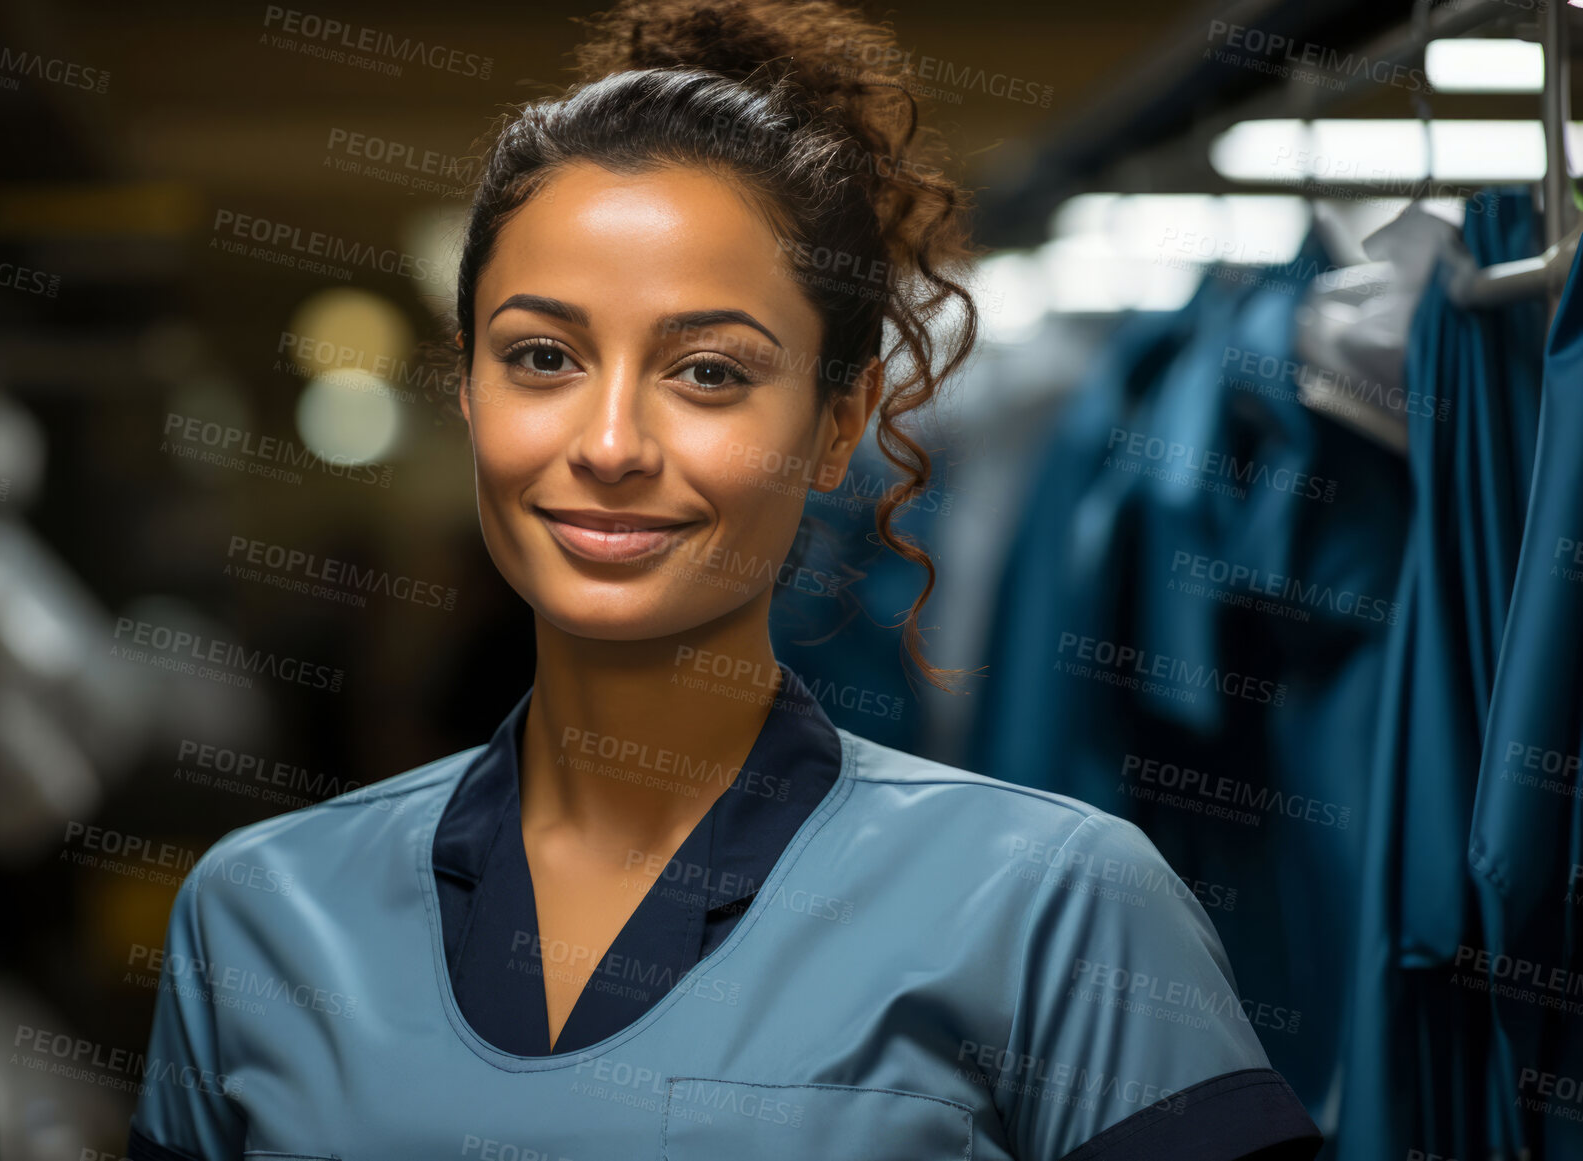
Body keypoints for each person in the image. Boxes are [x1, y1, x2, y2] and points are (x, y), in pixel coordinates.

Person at [128, 2, 1323, 1158]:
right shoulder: (259, 916)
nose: (606, 443)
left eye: (705, 372)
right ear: (468, 391)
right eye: (540, 357)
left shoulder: (1054, 906)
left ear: (836, 421)